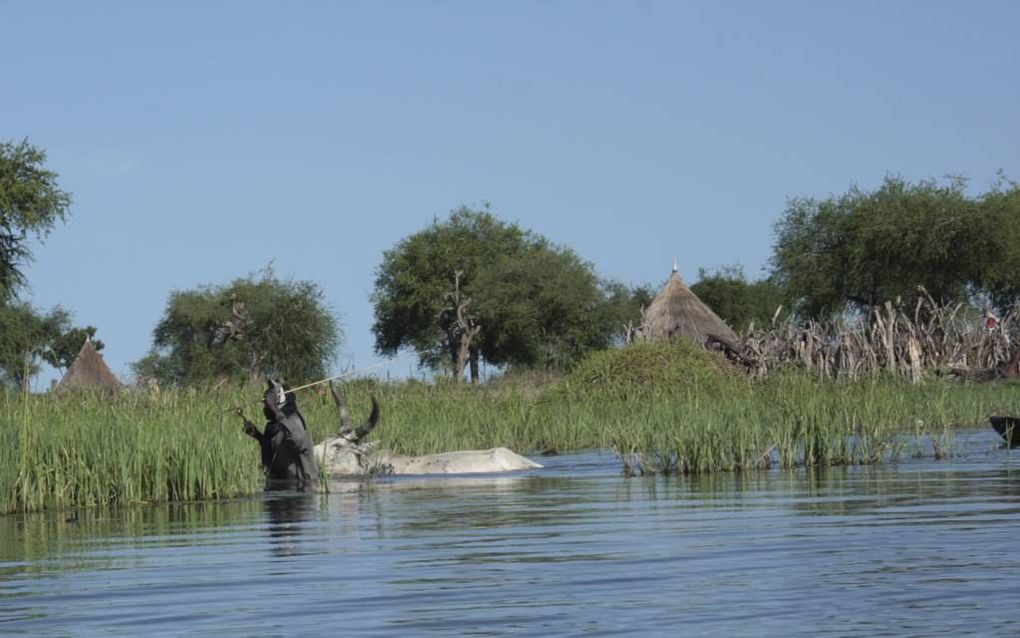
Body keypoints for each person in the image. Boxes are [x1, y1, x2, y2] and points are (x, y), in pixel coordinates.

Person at [240, 379, 319, 487]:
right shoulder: (274, 426)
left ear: (279, 403)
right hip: (281, 488)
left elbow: (298, 442)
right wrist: (258, 436)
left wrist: (274, 409)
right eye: (266, 404)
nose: (265, 408)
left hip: (301, 490)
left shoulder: (294, 420)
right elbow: (275, 451)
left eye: (267, 405)